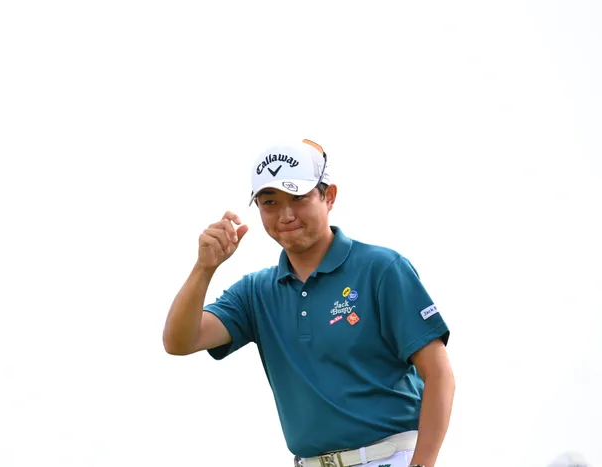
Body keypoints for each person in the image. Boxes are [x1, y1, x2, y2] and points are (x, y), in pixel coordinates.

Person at [163, 139, 456, 467]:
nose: (285, 215)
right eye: (270, 202)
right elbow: (180, 341)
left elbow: (439, 373)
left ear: (329, 197)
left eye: (298, 198)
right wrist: (204, 268)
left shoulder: (381, 269)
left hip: (391, 458)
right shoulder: (256, 292)